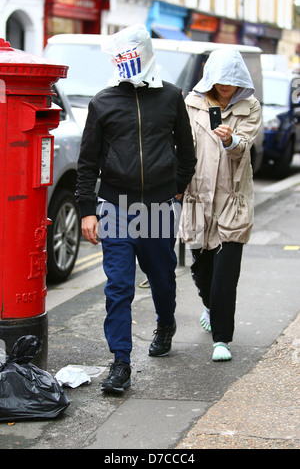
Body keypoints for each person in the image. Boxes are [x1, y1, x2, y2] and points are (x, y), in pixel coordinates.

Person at [75, 24, 196, 393]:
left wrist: (174, 191)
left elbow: (187, 155)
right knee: (119, 287)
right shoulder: (102, 102)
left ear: (144, 54)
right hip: (115, 205)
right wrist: (87, 210)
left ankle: (166, 322)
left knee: (161, 277)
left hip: (158, 204)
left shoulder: (172, 97)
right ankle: (121, 363)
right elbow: (87, 162)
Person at [179, 48, 262, 362]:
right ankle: (210, 305)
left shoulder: (249, 106)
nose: (225, 85)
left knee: (226, 273)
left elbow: (245, 144)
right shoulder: (191, 103)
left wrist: (230, 141)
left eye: (231, 79)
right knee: (202, 269)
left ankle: (221, 339)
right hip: (197, 196)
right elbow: (183, 146)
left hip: (233, 197)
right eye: (220, 79)